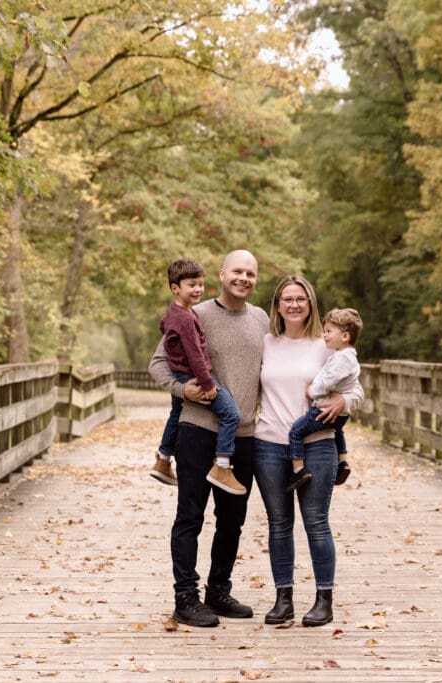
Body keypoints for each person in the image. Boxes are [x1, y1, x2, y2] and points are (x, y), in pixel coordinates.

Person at [147, 250, 268, 628]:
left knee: (232, 520)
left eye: (250, 273)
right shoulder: (194, 314)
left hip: (243, 435)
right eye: (237, 271)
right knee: (190, 518)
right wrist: (184, 392)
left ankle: (218, 591)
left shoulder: (262, 319)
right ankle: (186, 597)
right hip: (199, 431)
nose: (243, 278)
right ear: (222, 274)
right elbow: (158, 364)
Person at [254, 275, 364, 627]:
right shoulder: (265, 343)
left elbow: (356, 391)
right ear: (277, 304)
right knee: (279, 524)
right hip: (269, 443)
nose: (294, 304)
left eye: (300, 298)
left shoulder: (327, 345)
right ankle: (283, 598)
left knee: (316, 522)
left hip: (317, 445)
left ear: (310, 303)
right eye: (287, 298)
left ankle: (323, 599)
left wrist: (344, 401)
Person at [151, 258, 243, 495]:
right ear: (175, 288)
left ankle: (162, 459)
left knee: (176, 413)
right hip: (192, 376)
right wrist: (207, 383)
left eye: (201, 284)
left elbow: (164, 326)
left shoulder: (175, 313)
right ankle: (222, 466)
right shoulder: (186, 319)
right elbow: (195, 355)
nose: (198, 289)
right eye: (192, 285)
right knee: (231, 414)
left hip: (179, 372)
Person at [286, 308, 363, 492]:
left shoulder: (341, 358)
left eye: (328, 331)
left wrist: (311, 391)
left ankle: (298, 470)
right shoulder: (346, 355)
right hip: (338, 415)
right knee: (337, 430)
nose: (324, 335)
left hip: (323, 410)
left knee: (296, 432)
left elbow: (330, 382)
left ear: (345, 336)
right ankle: (343, 462)